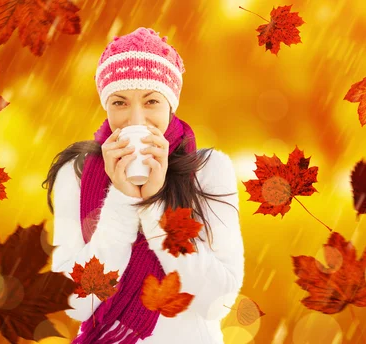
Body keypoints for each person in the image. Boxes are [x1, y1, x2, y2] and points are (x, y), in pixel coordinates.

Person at [42, 27, 245, 344]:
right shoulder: (77, 172)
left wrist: (154, 206)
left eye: (151, 101)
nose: (136, 120)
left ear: (171, 104)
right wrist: (121, 202)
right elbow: (76, 303)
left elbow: (217, 301)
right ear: (106, 106)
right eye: (120, 103)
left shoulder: (208, 170)